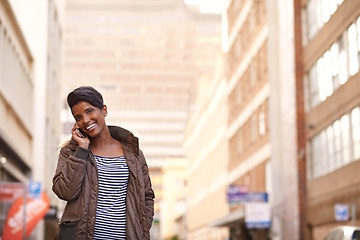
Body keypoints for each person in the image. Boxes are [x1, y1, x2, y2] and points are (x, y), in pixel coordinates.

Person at [52, 86, 155, 240]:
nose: (85, 120)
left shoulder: (133, 154)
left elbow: (146, 196)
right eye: (78, 117)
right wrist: (82, 150)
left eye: (89, 111)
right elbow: (65, 192)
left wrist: (141, 227)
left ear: (104, 110)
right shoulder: (71, 152)